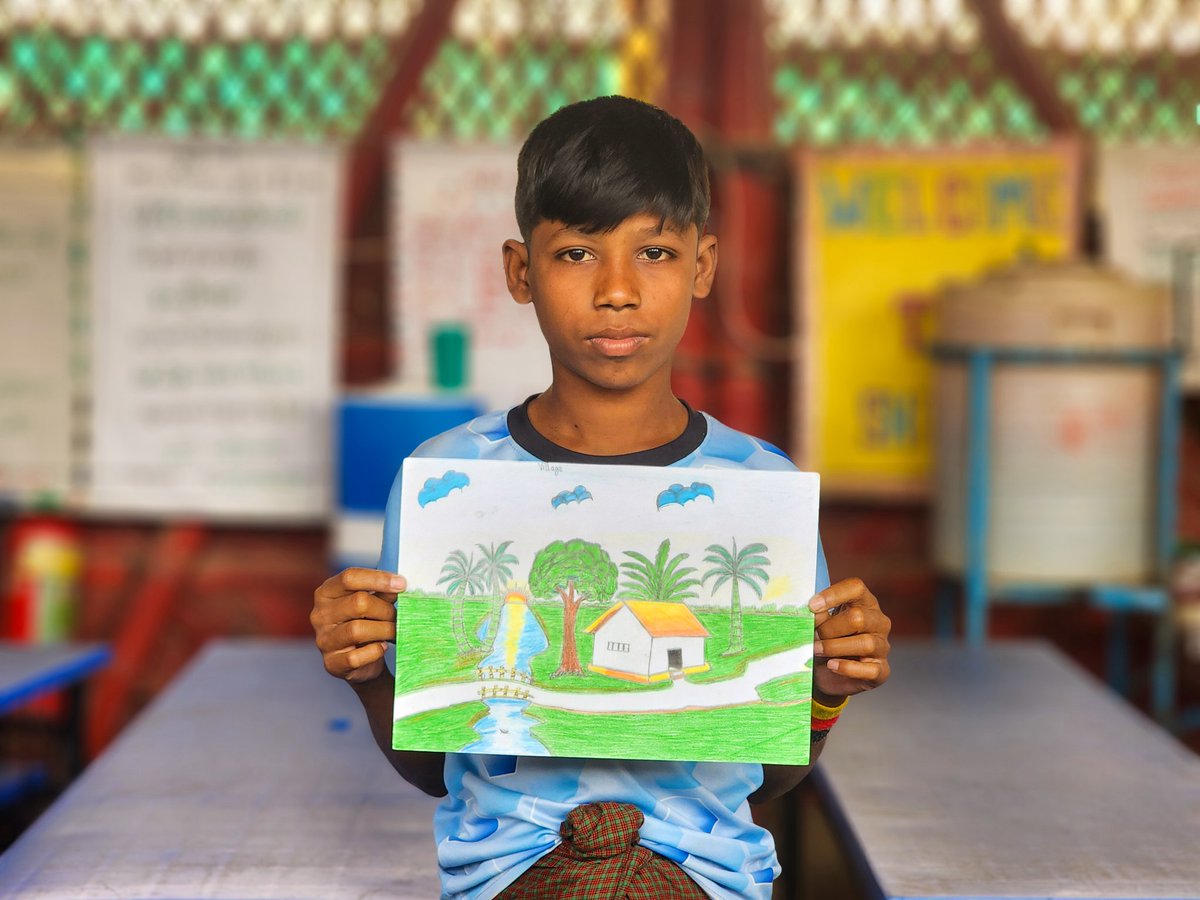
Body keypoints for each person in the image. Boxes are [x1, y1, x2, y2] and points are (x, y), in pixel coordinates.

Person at [311, 95, 891, 900]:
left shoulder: (764, 490)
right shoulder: (447, 482)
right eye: (578, 254)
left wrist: (824, 691)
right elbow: (434, 767)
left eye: (653, 252)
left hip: (705, 881)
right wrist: (369, 672)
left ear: (703, 267)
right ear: (522, 272)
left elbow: (764, 780)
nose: (617, 290)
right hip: (509, 877)